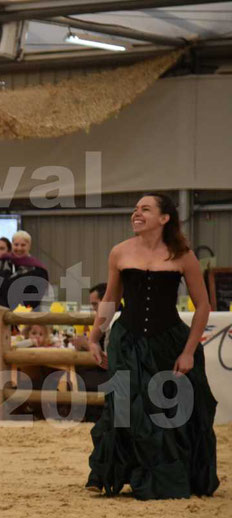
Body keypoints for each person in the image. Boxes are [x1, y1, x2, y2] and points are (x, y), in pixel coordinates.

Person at [86, 192, 218, 500]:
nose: (136, 213)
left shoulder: (183, 255)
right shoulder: (119, 252)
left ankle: (165, 477)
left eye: (145, 209)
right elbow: (110, 299)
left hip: (167, 341)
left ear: (164, 218)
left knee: (166, 409)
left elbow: (202, 306)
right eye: (135, 209)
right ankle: (114, 472)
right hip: (125, 340)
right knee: (122, 407)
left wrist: (188, 351)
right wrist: (95, 337)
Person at [0, 230, 49, 310]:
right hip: (0, 311)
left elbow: (36, 294)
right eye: (16, 244)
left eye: (23, 245)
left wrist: (19, 309)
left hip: (25, 313)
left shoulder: (38, 269)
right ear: (12, 245)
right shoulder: (0, 263)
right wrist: (3, 307)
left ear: (29, 246)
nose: (19, 248)